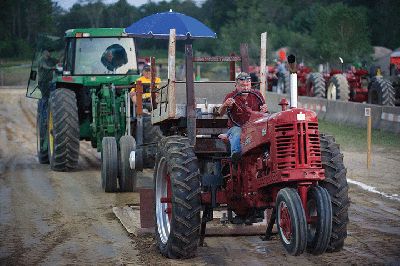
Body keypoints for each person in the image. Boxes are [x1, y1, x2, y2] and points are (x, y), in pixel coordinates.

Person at [218, 72, 268, 162]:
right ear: (236, 85)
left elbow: (264, 113)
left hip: (254, 127)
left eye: (248, 85)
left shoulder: (257, 95)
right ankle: (236, 155)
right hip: (237, 127)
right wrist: (225, 105)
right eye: (242, 85)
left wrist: (264, 110)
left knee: (266, 130)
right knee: (237, 132)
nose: (245, 88)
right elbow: (220, 113)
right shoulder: (230, 96)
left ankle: (266, 154)